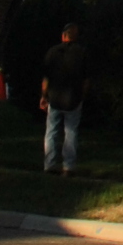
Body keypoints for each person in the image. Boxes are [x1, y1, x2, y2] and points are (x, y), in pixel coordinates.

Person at [40, 25, 86, 175]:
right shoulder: (81, 53)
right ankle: (69, 166)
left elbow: (46, 78)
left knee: (51, 132)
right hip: (73, 98)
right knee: (71, 132)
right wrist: (82, 96)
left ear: (63, 36)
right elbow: (86, 80)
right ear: (76, 36)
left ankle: (50, 164)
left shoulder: (53, 52)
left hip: (55, 97)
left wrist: (43, 96)